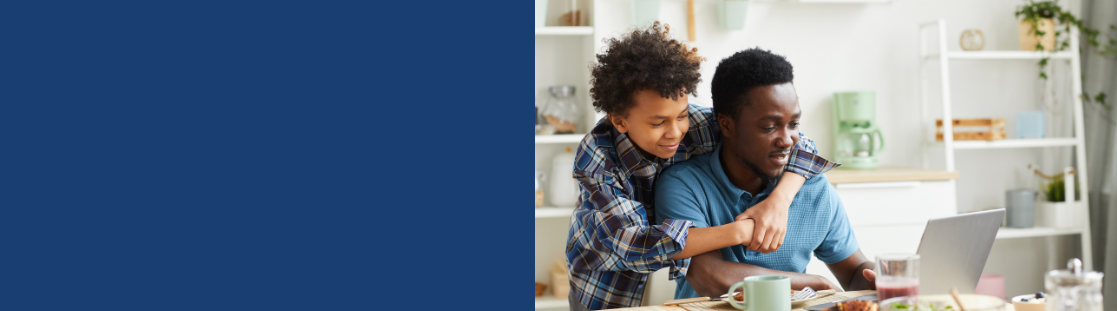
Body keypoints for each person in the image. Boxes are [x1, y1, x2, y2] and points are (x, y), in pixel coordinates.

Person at [565, 22, 838, 311]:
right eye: (658, 122)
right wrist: (741, 231)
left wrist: (779, 202)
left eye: (681, 115)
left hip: (677, 250)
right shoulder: (597, 156)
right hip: (605, 282)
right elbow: (634, 244)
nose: (675, 131)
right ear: (620, 121)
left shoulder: (698, 124)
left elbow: (800, 144)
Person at [654, 48, 876, 299]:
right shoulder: (684, 185)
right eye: (770, 127)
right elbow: (711, 277)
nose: (788, 140)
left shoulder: (813, 187)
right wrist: (814, 282)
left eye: (793, 124)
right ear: (726, 125)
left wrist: (878, 277)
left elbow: (854, 271)